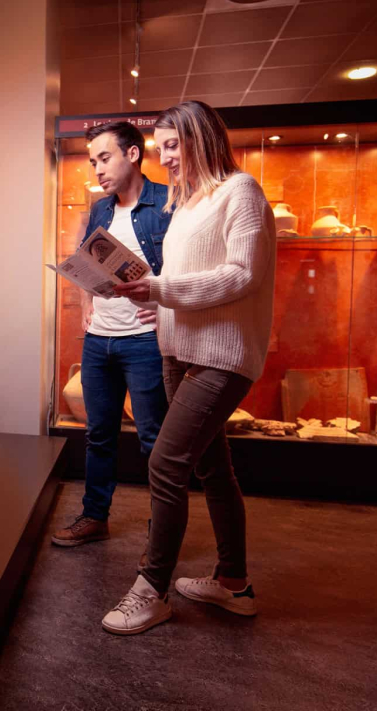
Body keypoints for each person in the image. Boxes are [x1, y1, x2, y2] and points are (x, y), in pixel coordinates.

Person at [102, 101, 276, 635]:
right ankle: (234, 583)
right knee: (211, 469)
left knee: (165, 463)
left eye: (173, 145)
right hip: (178, 350)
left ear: (203, 138)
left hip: (222, 357)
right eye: (161, 148)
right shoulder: (187, 204)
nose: (166, 158)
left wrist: (162, 289)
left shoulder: (240, 191)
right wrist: (159, 301)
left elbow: (242, 274)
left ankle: (151, 589)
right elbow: (190, 281)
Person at [51, 122, 171, 547]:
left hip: (144, 342)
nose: (97, 169)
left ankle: (163, 531)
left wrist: (168, 312)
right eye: (92, 161)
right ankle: (93, 516)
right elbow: (90, 263)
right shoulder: (101, 209)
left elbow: (182, 273)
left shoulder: (166, 204)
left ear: (133, 155)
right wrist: (86, 304)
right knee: (98, 434)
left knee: (152, 439)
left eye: (105, 158)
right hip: (99, 340)